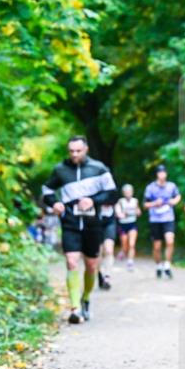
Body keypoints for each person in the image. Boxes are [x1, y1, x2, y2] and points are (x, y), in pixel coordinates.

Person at [42, 135, 118, 324]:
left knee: (91, 265)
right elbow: (46, 191)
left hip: (93, 224)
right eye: (71, 151)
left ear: (86, 150)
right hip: (70, 223)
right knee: (71, 261)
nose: (75, 154)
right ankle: (75, 308)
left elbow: (112, 194)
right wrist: (55, 203)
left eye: (78, 151)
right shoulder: (60, 169)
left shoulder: (99, 168)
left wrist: (93, 200)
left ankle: (85, 299)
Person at [144, 165, 181, 279]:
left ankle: (167, 265)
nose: (162, 175)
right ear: (157, 174)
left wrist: (174, 201)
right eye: (160, 173)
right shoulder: (150, 187)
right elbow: (145, 204)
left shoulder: (171, 186)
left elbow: (178, 196)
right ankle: (159, 265)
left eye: (164, 173)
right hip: (155, 219)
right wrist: (155, 203)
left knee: (170, 241)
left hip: (168, 218)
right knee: (157, 246)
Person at [115, 183, 141, 271]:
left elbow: (138, 212)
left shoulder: (135, 201)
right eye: (126, 192)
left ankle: (130, 262)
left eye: (129, 192)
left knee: (132, 244)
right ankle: (122, 252)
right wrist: (122, 214)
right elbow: (118, 214)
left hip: (132, 224)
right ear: (123, 193)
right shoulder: (120, 201)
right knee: (125, 245)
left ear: (132, 192)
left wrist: (136, 212)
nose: (128, 193)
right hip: (123, 225)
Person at [97, 201, 117, 290]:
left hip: (110, 223)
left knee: (109, 250)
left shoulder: (112, 197)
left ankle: (107, 277)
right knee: (98, 253)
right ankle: (99, 273)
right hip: (96, 224)